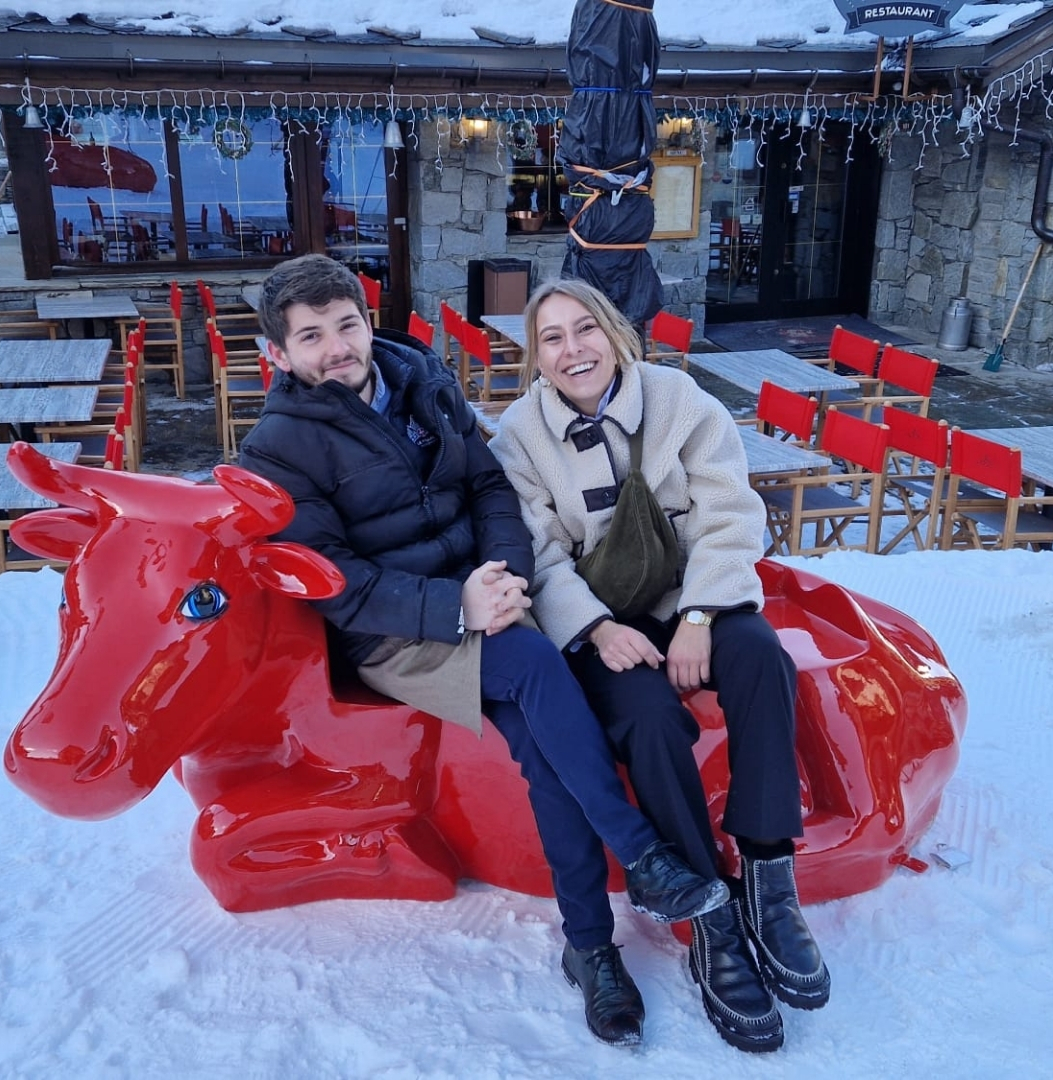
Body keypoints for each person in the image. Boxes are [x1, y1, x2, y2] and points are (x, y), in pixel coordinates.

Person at [237, 255, 729, 1048]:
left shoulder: (420, 379)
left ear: (369, 322)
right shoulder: (279, 446)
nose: (337, 347)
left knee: (541, 744)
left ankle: (589, 947)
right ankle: (640, 853)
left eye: (347, 325)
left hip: (487, 596)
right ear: (280, 355)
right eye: (312, 336)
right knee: (536, 665)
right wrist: (453, 605)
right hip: (396, 630)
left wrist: (500, 575)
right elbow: (335, 584)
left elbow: (492, 488)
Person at [490, 278, 831, 1054]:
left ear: (614, 334)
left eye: (585, 329)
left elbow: (732, 515)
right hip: (603, 622)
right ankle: (706, 906)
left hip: (690, 596)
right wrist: (598, 630)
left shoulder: (681, 401)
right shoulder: (517, 437)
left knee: (761, 657)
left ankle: (769, 878)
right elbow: (536, 554)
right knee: (643, 717)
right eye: (552, 338)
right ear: (535, 358)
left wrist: (703, 615)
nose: (572, 348)